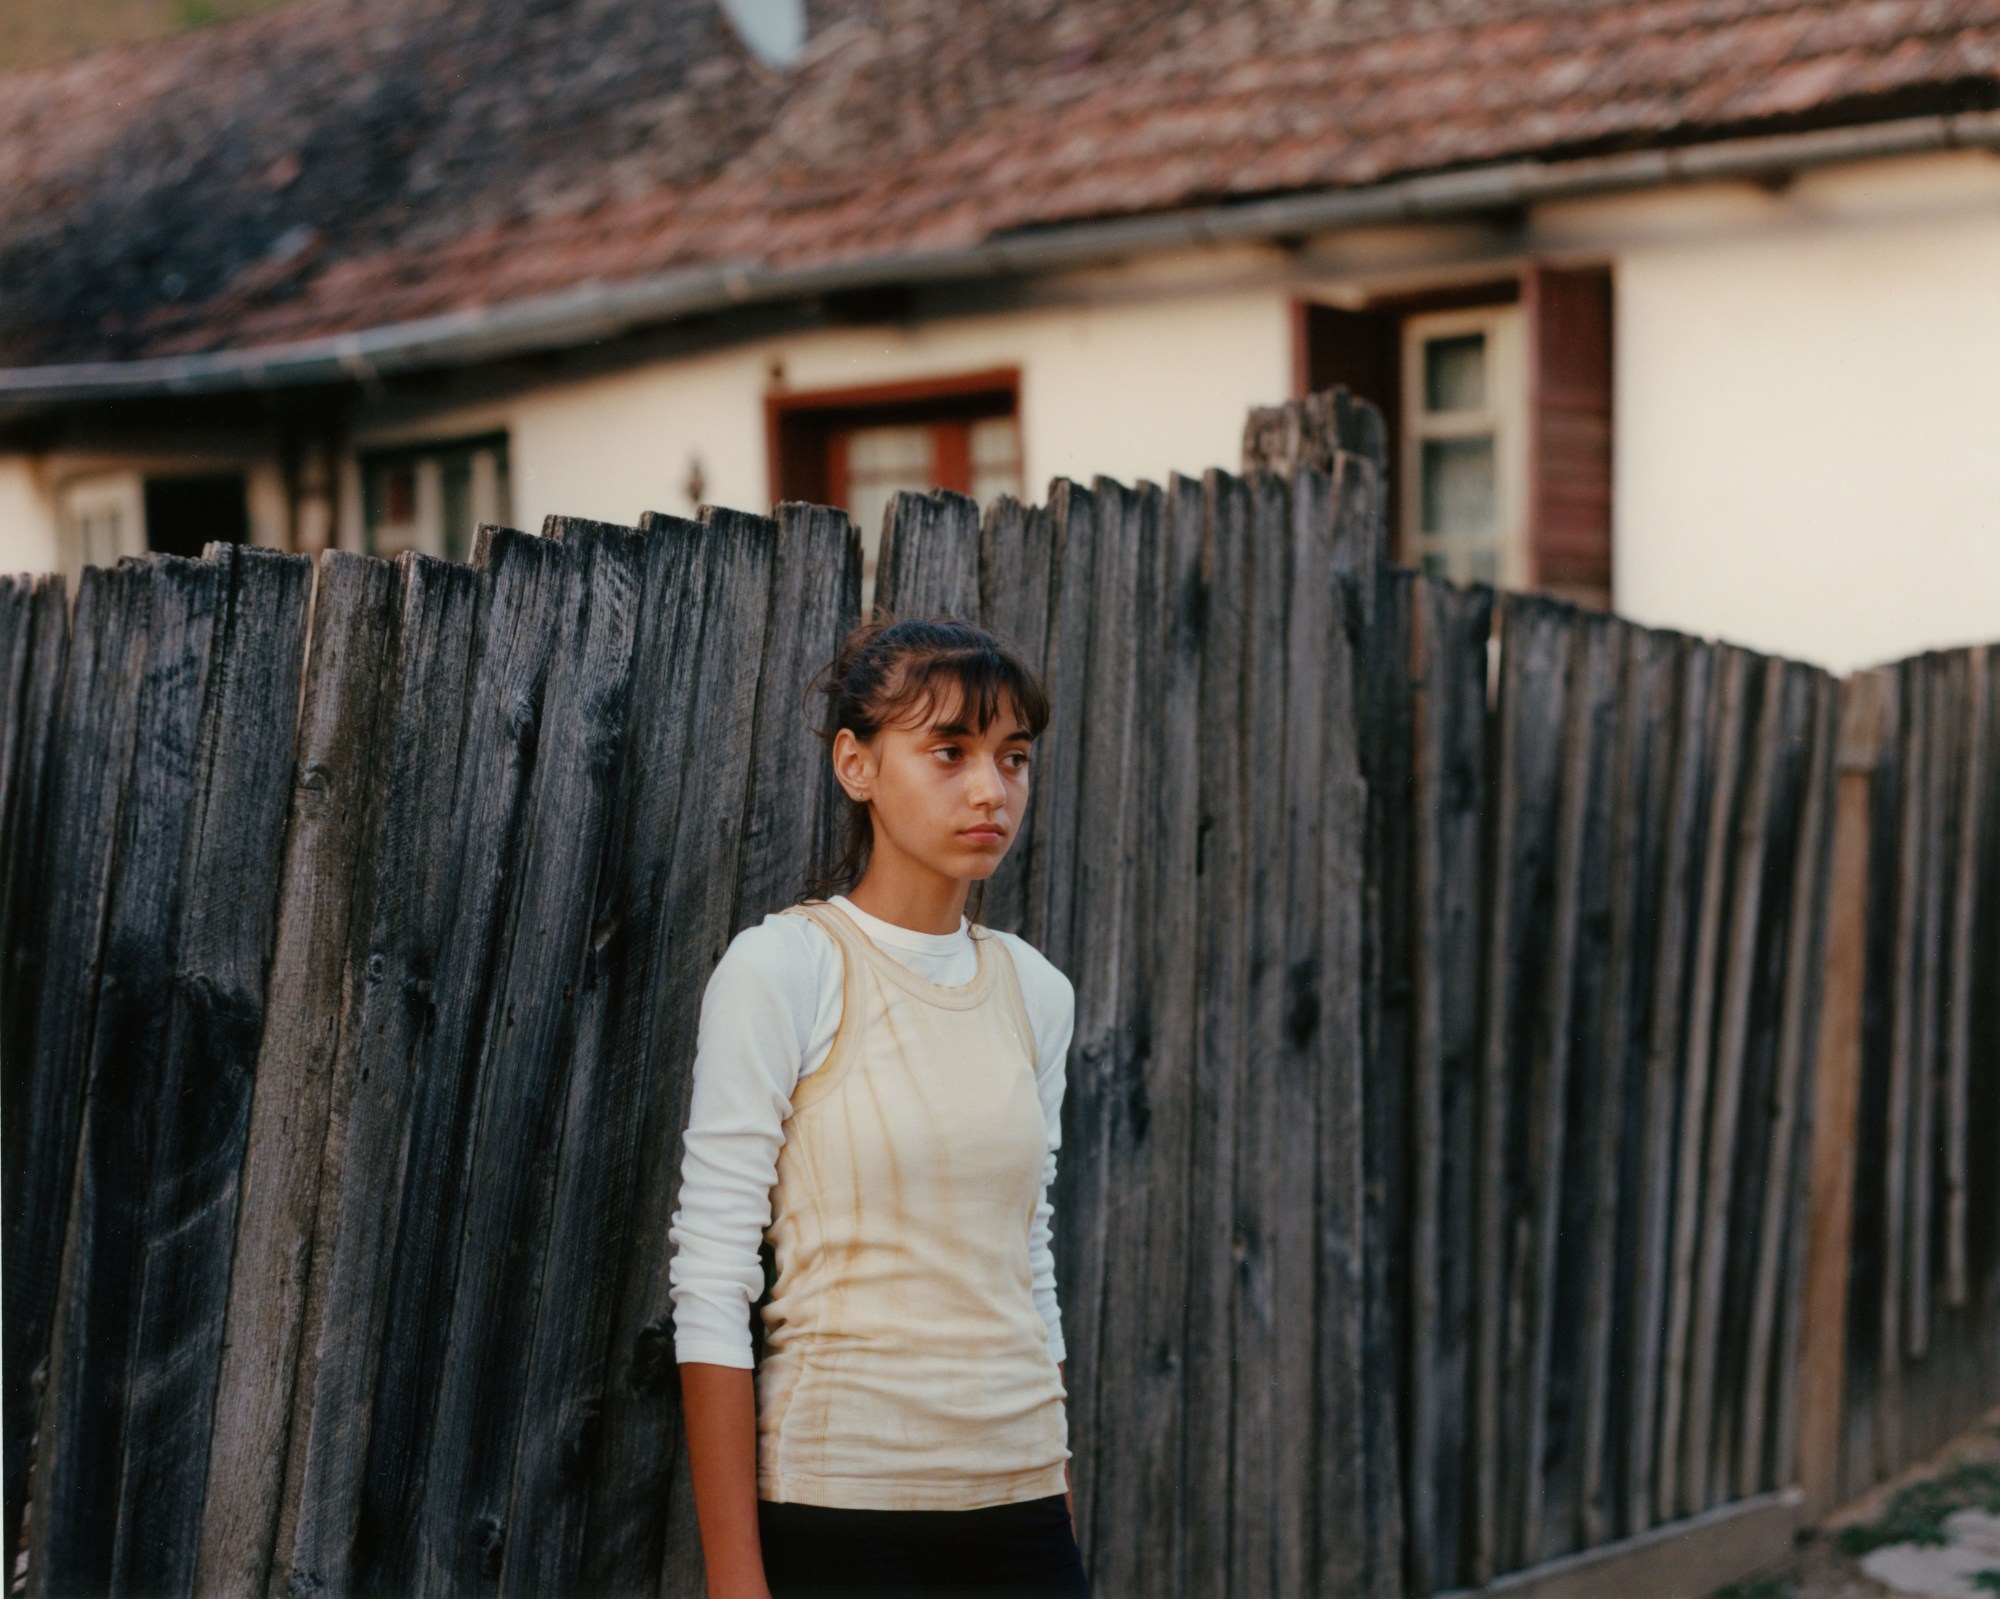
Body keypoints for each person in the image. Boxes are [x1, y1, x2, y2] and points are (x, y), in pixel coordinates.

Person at [667, 613, 1091, 1599]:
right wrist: (736, 1576)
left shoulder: (1036, 992)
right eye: (948, 751)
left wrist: (1053, 1488)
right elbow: (711, 1275)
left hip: (1019, 1505)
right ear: (855, 766)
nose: (991, 789)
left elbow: (1027, 1256)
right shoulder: (785, 968)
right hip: (840, 1507)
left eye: (1013, 757)